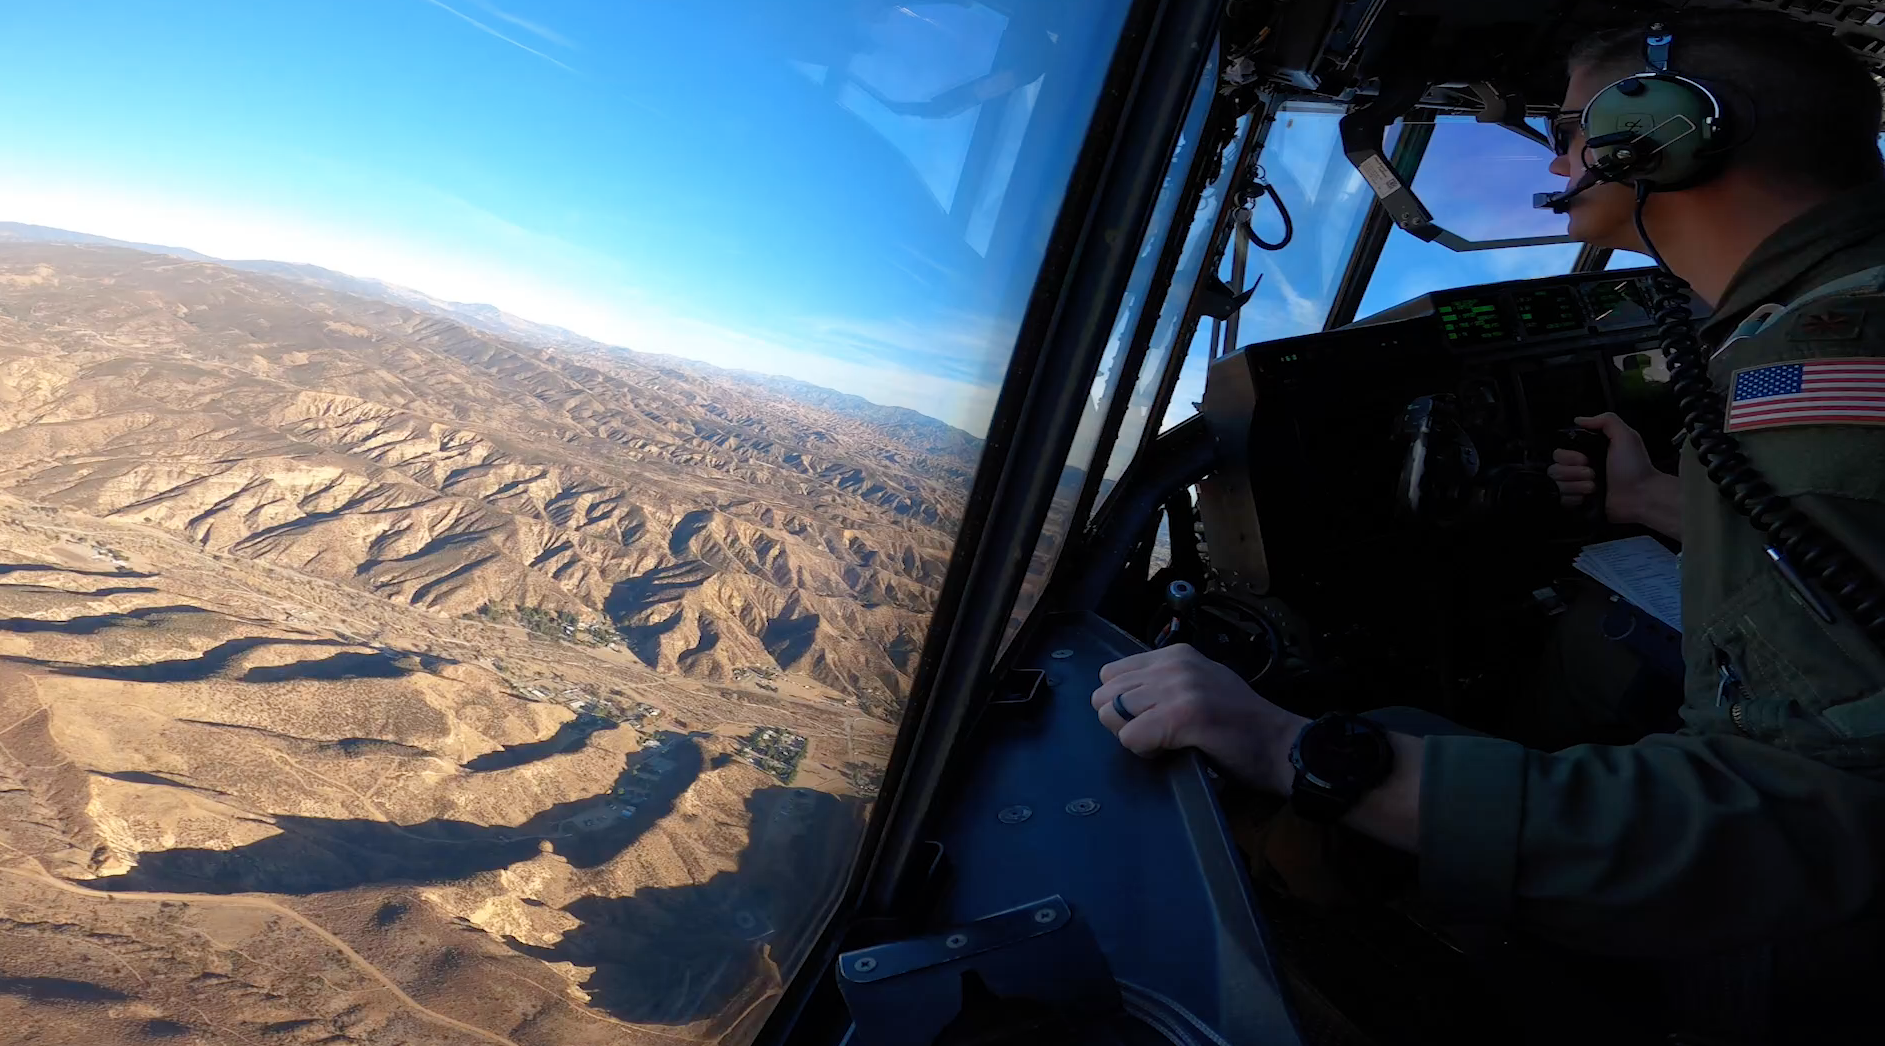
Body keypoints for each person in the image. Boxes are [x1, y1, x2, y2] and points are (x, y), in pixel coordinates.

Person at [1093, 9, 1885, 1043]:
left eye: (1567, 128)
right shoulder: (1828, 315)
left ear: (1663, 130)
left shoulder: (1825, 364)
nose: (1553, 156)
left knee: (1384, 758)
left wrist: (1285, 742)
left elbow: (1817, 814)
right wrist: (1651, 499)